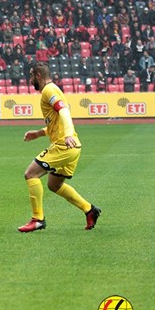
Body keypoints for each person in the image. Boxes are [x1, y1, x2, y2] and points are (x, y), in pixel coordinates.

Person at [18, 62, 101, 233]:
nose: (30, 79)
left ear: (38, 76)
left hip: (64, 145)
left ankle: (37, 219)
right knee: (54, 185)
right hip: (73, 147)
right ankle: (89, 209)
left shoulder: (48, 90)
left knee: (31, 174)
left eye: (31, 76)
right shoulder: (53, 90)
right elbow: (56, 123)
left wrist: (69, 134)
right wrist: (38, 134)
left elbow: (64, 112)